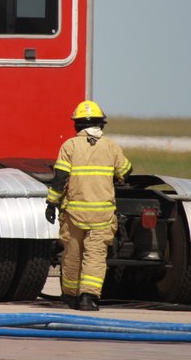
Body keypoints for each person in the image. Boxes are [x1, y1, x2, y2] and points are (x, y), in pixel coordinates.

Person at [45, 100, 132, 311]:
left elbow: (60, 179)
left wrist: (51, 203)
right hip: (101, 217)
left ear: (77, 125)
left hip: (74, 214)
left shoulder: (69, 146)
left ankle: (70, 296)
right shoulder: (111, 146)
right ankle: (88, 298)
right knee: (95, 257)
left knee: (72, 255)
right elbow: (126, 172)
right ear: (101, 124)